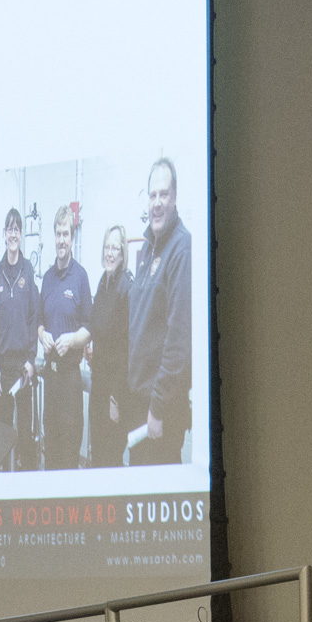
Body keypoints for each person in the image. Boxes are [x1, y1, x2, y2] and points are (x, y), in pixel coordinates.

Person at [127, 158, 192, 465]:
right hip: (139, 403)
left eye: (163, 195)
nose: (156, 203)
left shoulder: (180, 249)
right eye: (152, 195)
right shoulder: (148, 247)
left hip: (159, 414)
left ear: (175, 197)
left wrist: (158, 407)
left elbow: (179, 340)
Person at [39, 205, 92, 470]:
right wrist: (42, 335)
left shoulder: (80, 277)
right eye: (58, 234)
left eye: (66, 234)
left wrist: (71, 339)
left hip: (71, 379)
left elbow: (89, 327)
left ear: (72, 238)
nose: (61, 240)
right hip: (51, 377)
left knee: (69, 451)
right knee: (51, 450)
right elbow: (38, 322)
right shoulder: (47, 278)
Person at [0, 207, 41, 470]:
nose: (13, 234)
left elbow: (34, 317)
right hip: (3, 369)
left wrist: (32, 360)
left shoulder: (28, 272)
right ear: (4, 234)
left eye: (16, 229)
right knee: (2, 433)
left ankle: (26, 479)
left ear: (21, 234)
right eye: (9, 229)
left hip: (24, 369)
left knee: (25, 434)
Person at [87, 225, 132, 467]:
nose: (110, 253)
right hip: (98, 387)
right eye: (107, 247)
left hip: (115, 393)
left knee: (110, 459)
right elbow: (97, 324)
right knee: (97, 456)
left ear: (123, 254)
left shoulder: (125, 287)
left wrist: (116, 401)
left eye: (115, 248)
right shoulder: (102, 282)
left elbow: (127, 349)